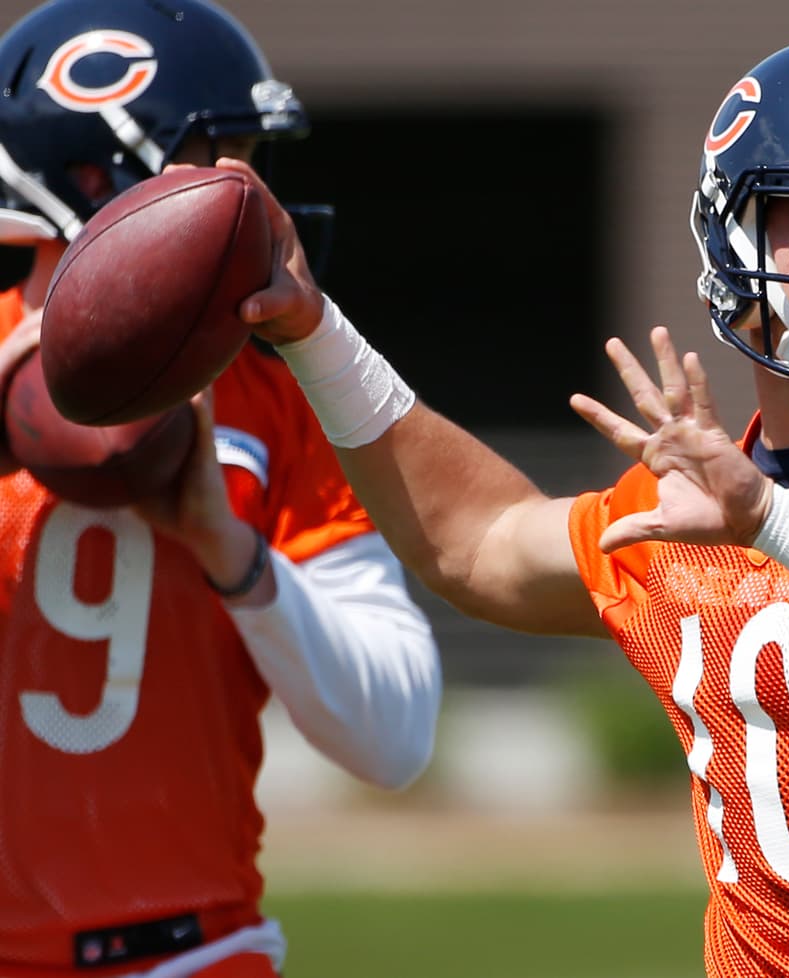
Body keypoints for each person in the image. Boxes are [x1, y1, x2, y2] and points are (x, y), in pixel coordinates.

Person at [238, 35, 789, 978]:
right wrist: (313, 332)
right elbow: (479, 544)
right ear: (735, 240)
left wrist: (773, 521)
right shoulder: (703, 501)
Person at [0, 2, 441, 976]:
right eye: (220, 160)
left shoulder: (271, 402)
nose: (253, 201)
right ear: (88, 174)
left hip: (197, 952)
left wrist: (233, 554)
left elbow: (394, 737)